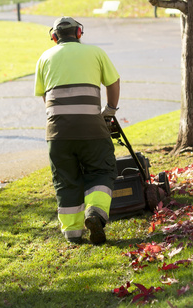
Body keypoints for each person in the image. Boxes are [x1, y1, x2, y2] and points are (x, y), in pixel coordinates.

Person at [34, 16, 120, 245]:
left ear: (54, 37)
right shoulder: (96, 53)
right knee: (101, 169)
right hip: (92, 128)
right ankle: (95, 213)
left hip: (57, 132)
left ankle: (72, 232)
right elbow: (113, 82)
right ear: (79, 33)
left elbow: (45, 96)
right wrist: (109, 111)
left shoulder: (44, 58)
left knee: (65, 178)